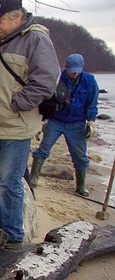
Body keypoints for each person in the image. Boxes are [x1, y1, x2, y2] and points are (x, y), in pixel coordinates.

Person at [0, 0, 59, 248]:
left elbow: (46, 80)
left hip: (16, 124)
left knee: (9, 182)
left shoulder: (35, 39)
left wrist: (17, 103)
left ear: (17, 18)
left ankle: (11, 235)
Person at [29, 53, 99, 196]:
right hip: (56, 120)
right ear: (65, 67)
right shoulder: (57, 78)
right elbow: (46, 99)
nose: (74, 74)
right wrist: (43, 119)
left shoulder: (89, 81)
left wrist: (91, 121)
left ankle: (81, 186)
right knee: (43, 149)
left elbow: (92, 102)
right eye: (71, 70)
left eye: (76, 71)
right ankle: (33, 178)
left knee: (80, 156)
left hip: (77, 122)